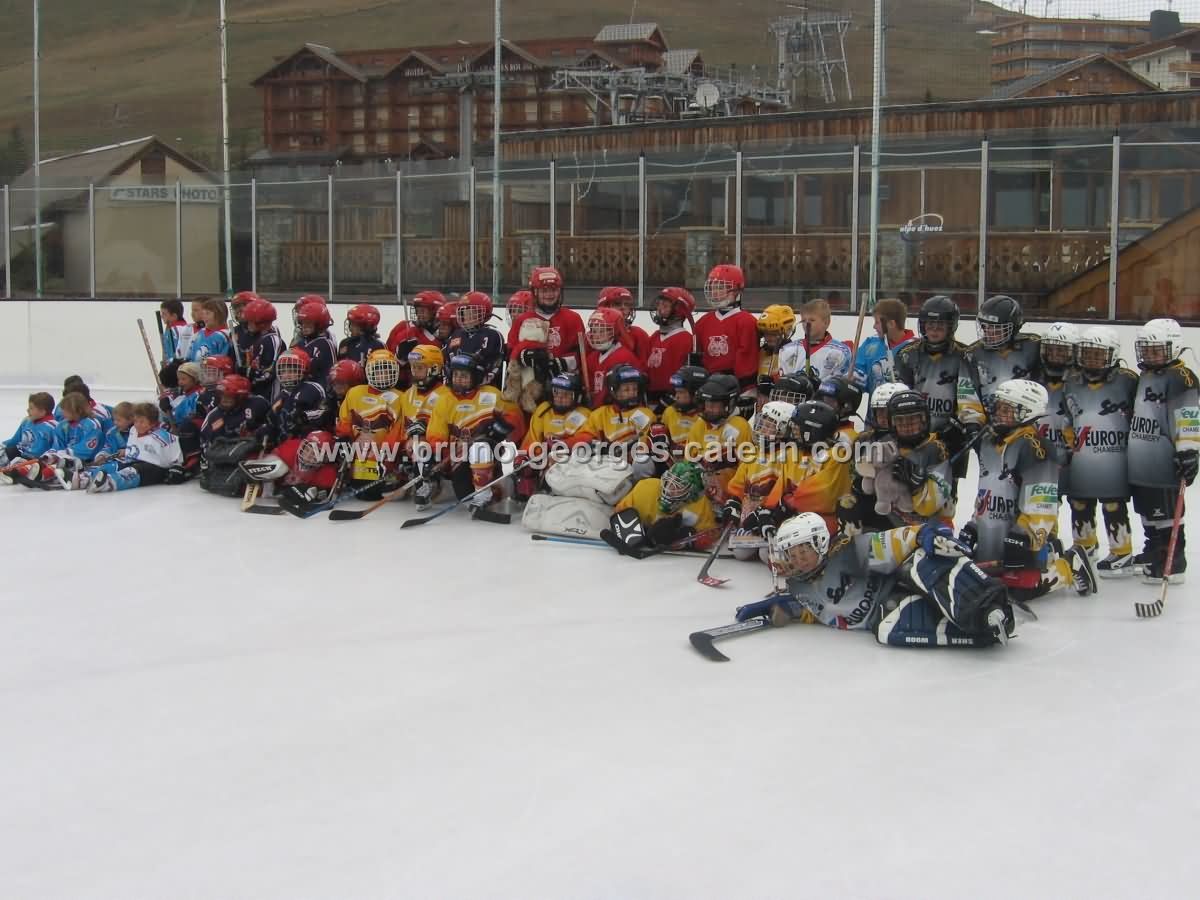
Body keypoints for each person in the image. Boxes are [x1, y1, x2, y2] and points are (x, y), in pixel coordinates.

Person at [734, 514, 1016, 648]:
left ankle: (987, 605)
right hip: (887, 612)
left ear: (820, 543)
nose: (798, 560)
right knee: (890, 628)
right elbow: (821, 610)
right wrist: (785, 607)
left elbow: (899, 541)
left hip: (906, 583)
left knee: (922, 563)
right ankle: (980, 631)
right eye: (792, 554)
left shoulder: (849, 552)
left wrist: (926, 535)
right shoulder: (799, 586)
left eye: (803, 551)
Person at [962, 379, 1096, 602]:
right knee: (977, 585)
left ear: (1027, 412)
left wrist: (1024, 536)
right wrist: (974, 526)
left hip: (1019, 536)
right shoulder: (989, 442)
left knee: (1017, 592)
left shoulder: (1036, 447)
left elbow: (1041, 504)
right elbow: (987, 493)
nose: (998, 414)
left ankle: (1068, 565)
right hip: (992, 536)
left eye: (1006, 410)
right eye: (998, 407)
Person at [1127, 318, 1199, 583]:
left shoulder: (1182, 378)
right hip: (1141, 459)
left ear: (1173, 347)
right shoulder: (1147, 374)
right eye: (1146, 349)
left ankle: (1173, 560)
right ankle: (1154, 550)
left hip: (1163, 460)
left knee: (1165, 513)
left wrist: (1188, 451)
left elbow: (1188, 416)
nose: (1149, 354)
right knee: (1147, 511)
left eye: (1156, 349)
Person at [1063, 325, 1137, 577]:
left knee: (1113, 504)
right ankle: (1084, 545)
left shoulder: (1128, 381)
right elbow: (1067, 418)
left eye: (1098, 354)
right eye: (1087, 353)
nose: (1091, 359)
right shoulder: (1072, 382)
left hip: (1114, 456)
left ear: (1113, 355)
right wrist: (1068, 443)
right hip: (1082, 455)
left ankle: (1122, 551)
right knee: (1078, 501)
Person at [420, 352, 525, 516]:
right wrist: (434, 458)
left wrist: (500, 427)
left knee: (479, 447)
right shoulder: (444, 400)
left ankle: (484, 495)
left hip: (488, 453)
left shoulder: (492, 395)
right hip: (458, 455)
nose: (458, 379)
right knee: (464, 494)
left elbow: (516, 419)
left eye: (464, 376)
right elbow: (436, 435)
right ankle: (492, 488)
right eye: (456, 375)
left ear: (476, 376)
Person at [893, 295, 985, 482]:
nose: (934, 330)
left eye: (940, 325)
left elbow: (970, 397)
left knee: (946, 489)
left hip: (951, 436)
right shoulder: (907, 355)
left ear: (951, 327)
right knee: (909, 482)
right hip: (914, 433)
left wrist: (965, 426)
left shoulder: (964, 356)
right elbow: (899, 395)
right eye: (930, 325)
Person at [723, 400, 798, 562]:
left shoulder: (789, 455)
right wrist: (734, 502)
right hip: (750, 516)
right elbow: (738, 483)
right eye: (762, 423)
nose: (762, 429)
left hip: (773, 517)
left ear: (784, 429)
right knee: (740, 553)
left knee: (766, 555)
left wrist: (770, 513)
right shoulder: (753, 452)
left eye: (768, 425)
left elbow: (787, 491)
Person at [605, 462, 720, 557]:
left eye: (678, 486)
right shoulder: (645, 488)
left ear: (693, 493)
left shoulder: (701, 504)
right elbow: (618, 517)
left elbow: (711, 535)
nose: (669, 489)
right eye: (668, 482)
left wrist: (683, 538)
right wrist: (646, 534)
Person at [336, 349, 405, 497]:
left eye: (387, 371)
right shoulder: (355, 393)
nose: (383, 375)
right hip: (357, 453)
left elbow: (398, 431)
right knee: (361, 491)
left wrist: (387, 454)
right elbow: (344, 421)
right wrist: (344, 439)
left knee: (373, 492)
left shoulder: (400, 398)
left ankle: (393, 477)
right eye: (378, 371)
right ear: (370, 372)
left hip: (383, 456)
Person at [513, 371, 591, 501]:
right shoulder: (543, 410)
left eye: (566, 394)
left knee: (556, 460)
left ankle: (552, 495)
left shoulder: (584, 414)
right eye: (556, 392)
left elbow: (587, 438)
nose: (560, 398)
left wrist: (563, 444)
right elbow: (532, 439)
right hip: (545, 458)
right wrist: (523, 457)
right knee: (525, 467)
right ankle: (526, 499)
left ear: (577, 396)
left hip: (571, 464)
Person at [71, 403, 184, 493]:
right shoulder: (134, 430)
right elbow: (136, 449)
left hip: (154, 468)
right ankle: (84, 479)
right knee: (115, 466)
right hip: (134, 462)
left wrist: (177, 468)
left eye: (142, 422)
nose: (137, 424)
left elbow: (176, 455)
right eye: (136, 421)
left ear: (152, 423)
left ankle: (109, 483)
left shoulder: (162, 437)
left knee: (132, 471)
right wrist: (126, 452)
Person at [965, 294, 1041, 417]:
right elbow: (968, 395)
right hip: (989, 419)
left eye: (996, 329)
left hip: (1025, 418)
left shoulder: (1033, 347)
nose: (989, 333)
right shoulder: (974, 353)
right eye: (985, 327)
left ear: (1014, 328)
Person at [509, 266, 586, 385]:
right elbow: (510, 351)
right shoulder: (522, 320)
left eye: (554, 290)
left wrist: (561, 363)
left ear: (560, 291)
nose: (549, 295)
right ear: (535, 292)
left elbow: (582, 354)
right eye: (544, 290)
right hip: (529, 385)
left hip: (563, 385)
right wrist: (523, 356)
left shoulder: (573, 318)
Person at [685, 373, 753, 501]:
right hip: (701, 485)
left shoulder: (738, 426)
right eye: (707, 403)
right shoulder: (700, 424)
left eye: (714, 405)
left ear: (729, 404)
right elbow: (689, 460)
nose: (708, 409)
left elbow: (743, 469)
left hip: (728, 490)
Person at [693, 264, 758, 396]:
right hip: (709, 386)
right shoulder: (702, 322)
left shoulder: (747, 321)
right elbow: (698, 357)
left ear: (737, 291)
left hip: (738, 387)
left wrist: (743, 390)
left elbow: (746, 361)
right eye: (713, 287)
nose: (715, 292)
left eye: (721, 287)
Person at [851, 297, 916, 395]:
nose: (874, 326)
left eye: (877, 322)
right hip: (875, 404)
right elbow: (858, 372)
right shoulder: (871, 344)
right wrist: (851, 379)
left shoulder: (915, 348)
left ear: (891, 324)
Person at [645, 287, 698, 403]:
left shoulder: (686, 339)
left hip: (673, 399)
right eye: (658, 304)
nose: (659, 309)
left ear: (679, 310)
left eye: (665, 305)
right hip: (650, 397)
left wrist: (673, 396)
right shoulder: (654, 336)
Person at [779, 298, 852, 383]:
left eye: (812, 320)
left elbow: (841, 384)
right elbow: (782, 381)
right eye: (803, 320)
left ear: (826, 322)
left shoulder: (840, 352)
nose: (807, 324)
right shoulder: (788, 350)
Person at [269, 348, 330, 446]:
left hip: (309, 443)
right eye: (283, 371)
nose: (286, 375)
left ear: (304, 370)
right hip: (285, 445)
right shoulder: (280, 396)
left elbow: (325, 412)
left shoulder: (312, 388)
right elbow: (274, 424)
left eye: (291, 371)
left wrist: (304, 416)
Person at [582, 307, 642, 407]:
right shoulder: (591, 358)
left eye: (601, 331)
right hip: (598, 411)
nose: (596, 335)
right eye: (594, 331)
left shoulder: (624, 357)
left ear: (615, 331)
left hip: (619, 410)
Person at [0, 392, 59, 483]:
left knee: (26, 465)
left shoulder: (53, 427)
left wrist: (48, 458)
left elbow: (58, 446)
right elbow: (15, 440)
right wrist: (3, 446)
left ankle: (13, 473)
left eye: (31, 408)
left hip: (38, 460)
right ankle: (10, 470)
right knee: (7, 451)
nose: (27, 410)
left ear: (42, 411)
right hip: (22, 454)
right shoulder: (27, 422)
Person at [242, 298, 285, 400]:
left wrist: (248, 375)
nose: (248, 324)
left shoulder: (273, 341)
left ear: (262, 323)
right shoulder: (259, 339)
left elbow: (269, 373)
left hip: (269, 394)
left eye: (251, 321)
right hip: (257, 392)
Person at [661, 365, 708, 454]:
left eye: (681, 392)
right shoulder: (670, 412)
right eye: (676, 392)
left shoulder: (707, 417)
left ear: (696, 393)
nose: (676, 396)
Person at [597, 286, 650, 363]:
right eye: (617, 304)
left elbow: (643, 366)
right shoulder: (594, 336)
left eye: (627, 304)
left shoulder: (639, 335)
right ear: (605, 307)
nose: (623, 307)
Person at [386, 291, 445, 356]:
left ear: (435, 312)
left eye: (423, 311)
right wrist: (399, 356)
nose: (419, 314)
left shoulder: (443, 337)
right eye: (417, 310)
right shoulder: (402, 327)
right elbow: (387, 353)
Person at [295, 298, 337, 387]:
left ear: (320, 324)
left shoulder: (326, 344)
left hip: (319, 388)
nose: (304, 326)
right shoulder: (300, 343)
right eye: (302, 323)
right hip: (301, 388)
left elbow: (332, 372)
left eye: (308, 323)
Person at [756, 304, 797, 387]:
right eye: (766, 333)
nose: (768, 338)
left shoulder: (793, 354)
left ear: (787, 332)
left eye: (774, 333)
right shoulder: (762, 352)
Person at [158, 299, 194, 388]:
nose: (161, 316)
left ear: (174, 316)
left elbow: (178, 351)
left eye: (164, 314)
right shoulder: (177, 328)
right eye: (161, 314)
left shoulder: (175, 329)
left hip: (176, 367)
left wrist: (169, 362)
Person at [188, 297, 232, 363]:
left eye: (207, 313)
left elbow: (224, 360)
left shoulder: (224, 336)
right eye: (203, 313)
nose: (204, 317)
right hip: (194, 368)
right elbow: (190, 356)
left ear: (219, 315)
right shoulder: (199, 333)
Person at [94, 401, 134, 465]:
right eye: (114, 419)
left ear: (130, 419)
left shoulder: (138, 432)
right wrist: (102, 455)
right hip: (117, 462)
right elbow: (109, 447)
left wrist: (127, 452)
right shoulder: (112, 433)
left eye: (118, 420)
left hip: (135, 463)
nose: (115, 422)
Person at [229, 291, 260, 373]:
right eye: (236, 307)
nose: (239, 310)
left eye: (244, 305)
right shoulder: (234, 331)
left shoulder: (265, 331)